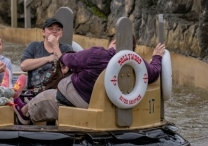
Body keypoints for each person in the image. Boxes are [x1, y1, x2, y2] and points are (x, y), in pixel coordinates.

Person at [27, 35, 166, 124]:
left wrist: (57, 48)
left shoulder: (96, 53)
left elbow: (67, 60)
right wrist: (157, 57)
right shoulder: (137, 63)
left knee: (40, 100)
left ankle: (24, 116)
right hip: (109, 107)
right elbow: (153, 73)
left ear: (114, 42)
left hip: (78, 98)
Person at [19, 18, 74, 93]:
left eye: (58, 29)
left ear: (61, 33)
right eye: (50, 28)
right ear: (43, 32)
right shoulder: (34, 46)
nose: (54, 31)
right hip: (34, 91)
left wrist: (55, 46)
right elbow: (23, 66)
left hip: (57, 91)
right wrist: (48, 59)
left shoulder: (67, 49)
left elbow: (64, 69)